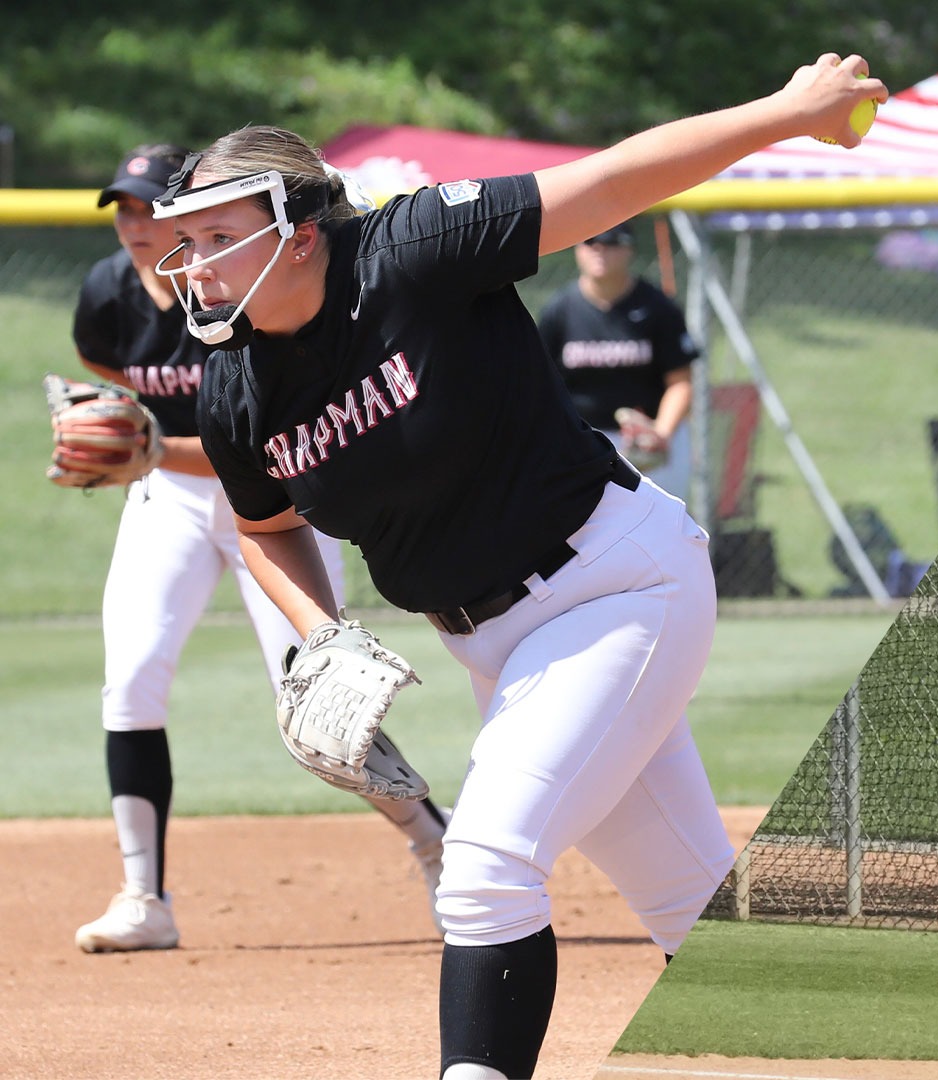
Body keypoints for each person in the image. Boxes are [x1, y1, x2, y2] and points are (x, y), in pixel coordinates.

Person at [153, 56, 886, 1079]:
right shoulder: (234, 386)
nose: (194, 264)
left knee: (486, 868)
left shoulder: (411, 250)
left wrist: (787, 112)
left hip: (617, 580)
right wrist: (320, 632)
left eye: (219, 238)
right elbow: (264, 525)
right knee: (696, 909)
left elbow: (618, 178)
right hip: (499, 644)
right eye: (187, 242)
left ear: (301, 234)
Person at [66, 143, 448, 955]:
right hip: (164, 502)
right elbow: (103, 367)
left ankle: (432, 841)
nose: (136, 225)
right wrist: (116, 428)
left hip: (277, 507)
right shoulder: (106, 292)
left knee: (325, 699)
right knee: (130, 683)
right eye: (124, 210)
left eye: (148, 208)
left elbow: (252, 444)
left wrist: (148, 446)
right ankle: (144, 898)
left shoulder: (239, 288)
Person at [537, 220, 698, 503]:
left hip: (650, 439)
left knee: (661, 533)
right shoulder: (559, 312)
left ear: (629, 249)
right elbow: (540, 385)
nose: (599, 249)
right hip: (583, 443)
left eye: (611, 241)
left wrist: (662, 431)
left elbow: (681, 383)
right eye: (590, 242)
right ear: (577, 249)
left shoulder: (657, 308)